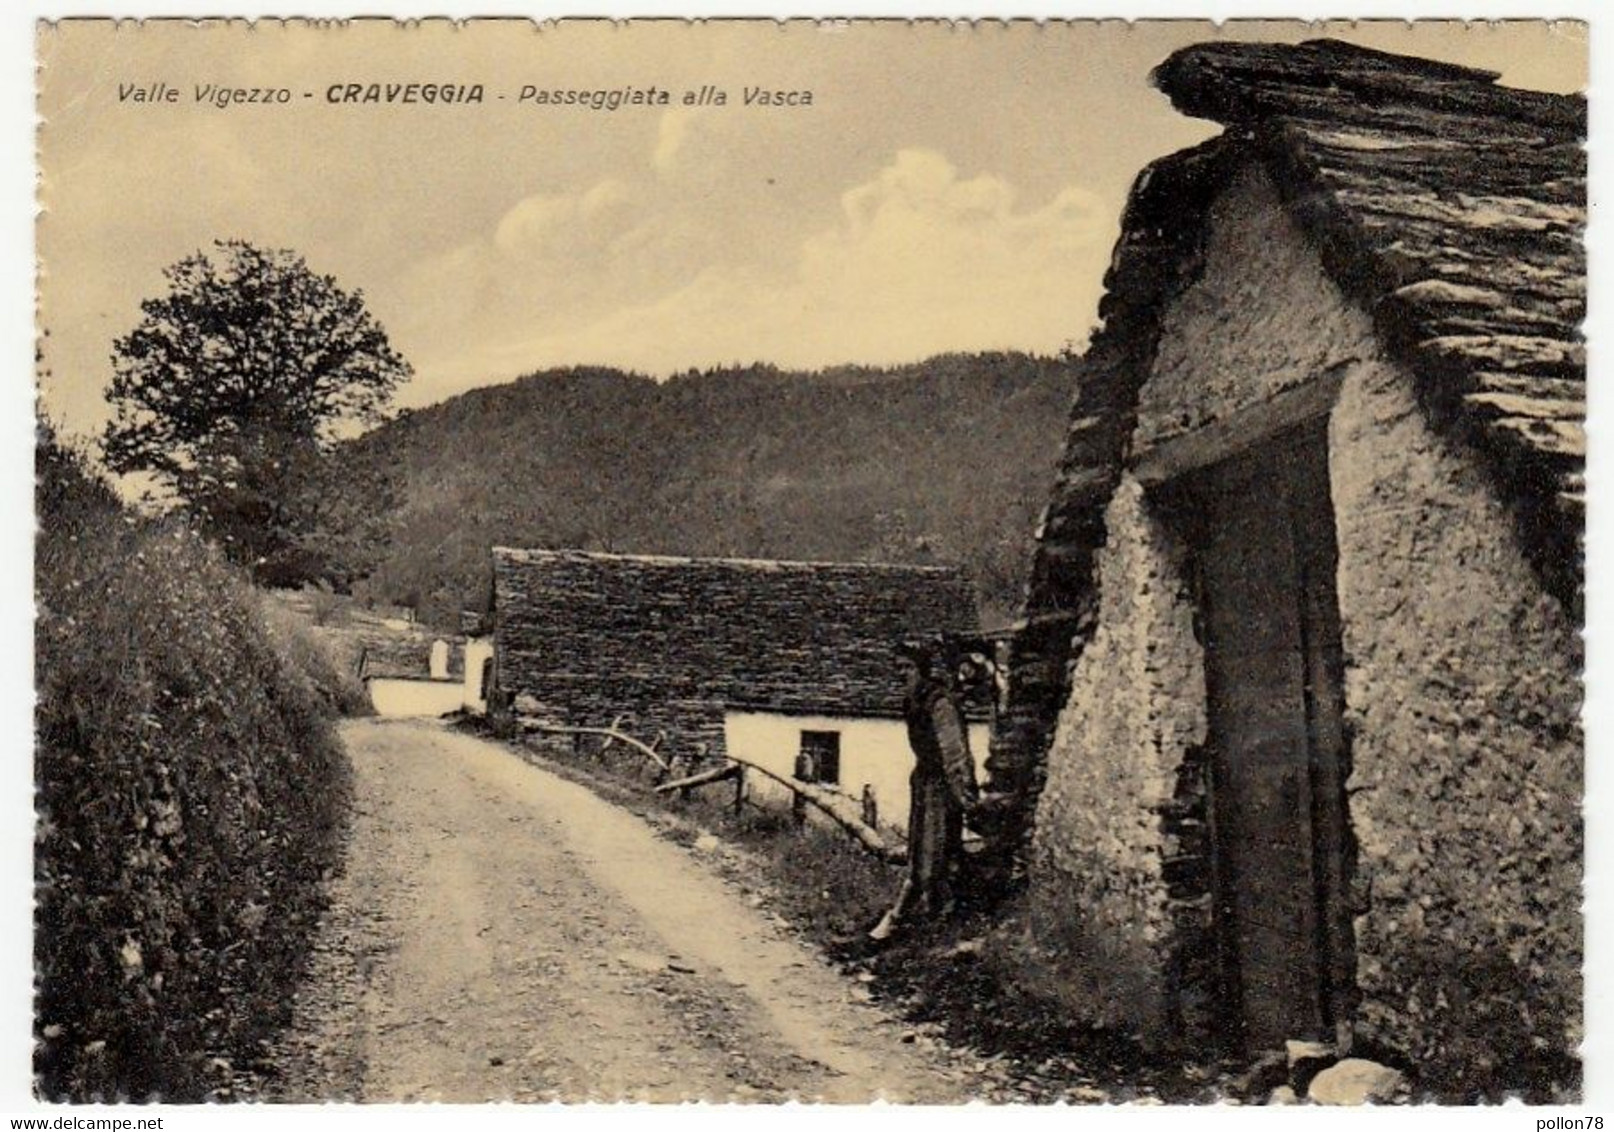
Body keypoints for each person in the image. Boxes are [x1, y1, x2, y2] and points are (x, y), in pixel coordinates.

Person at [868, 637, 981, 942]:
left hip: (942, 785)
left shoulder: (939, 702)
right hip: (924, 780)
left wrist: (965, 798)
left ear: (921, 669)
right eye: (898, 668)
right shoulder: (913, 701)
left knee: (937, 850)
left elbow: (954, 752)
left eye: (907, 667)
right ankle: (914, 919)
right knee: (920, 850)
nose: (901, 674)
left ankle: (926, 921)